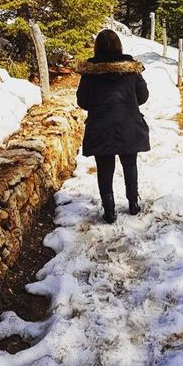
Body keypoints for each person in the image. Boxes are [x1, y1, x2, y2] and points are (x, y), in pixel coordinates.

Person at [76, 29, 150, 223]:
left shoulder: (90, 73)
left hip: (100, 125)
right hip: (128, 123)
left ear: (97, 47)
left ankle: (109, 210)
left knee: (104, 167)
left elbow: (82, 101)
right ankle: (133, 203)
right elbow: (143, 96)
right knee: (129, 163)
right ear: (119, 46)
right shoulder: (131, 70)